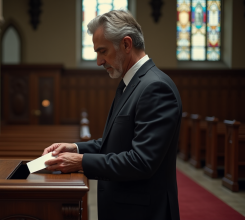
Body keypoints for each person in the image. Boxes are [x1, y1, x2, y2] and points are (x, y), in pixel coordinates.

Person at [43, 10, 181, 220]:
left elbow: (141, 161)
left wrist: (81, 161)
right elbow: (116, 144)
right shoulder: (130, 83)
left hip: (143, 212)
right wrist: (75, 147)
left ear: (126, 45)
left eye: (102, 51)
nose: (99, 61)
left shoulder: (155, 87)